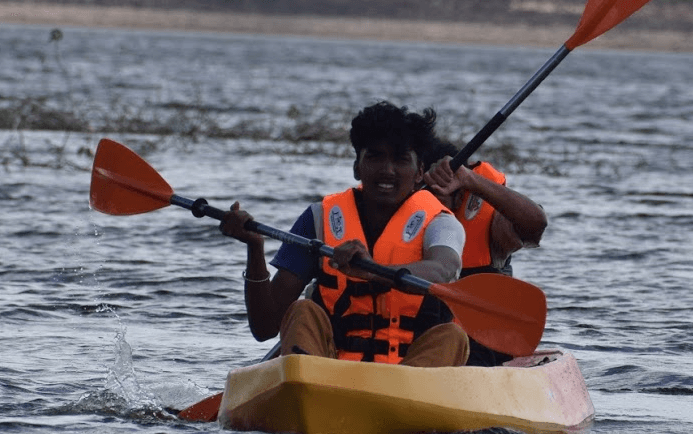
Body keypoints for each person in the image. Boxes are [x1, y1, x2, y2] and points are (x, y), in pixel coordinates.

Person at [219, 101, 469, 367]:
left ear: (419, 172)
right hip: (332, 373)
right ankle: (307, 388)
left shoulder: (441, 223)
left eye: (400, 159)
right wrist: (254, 249)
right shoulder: (319, 219)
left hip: (410, 374)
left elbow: (444, 270)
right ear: (356, 168)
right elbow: (265, 327)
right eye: (375, 156)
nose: (387, 169)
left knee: (453, 335)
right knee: (304, 311)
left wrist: (374, 270)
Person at [422, 140, 548, 365]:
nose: (425, 205)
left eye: (435, 195)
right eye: (420, 195)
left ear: (459, 195)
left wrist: (470, 179)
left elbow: (535, 225)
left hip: (479, 354)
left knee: (451, 338)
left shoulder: (493, 229)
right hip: (415, 343)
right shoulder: (393, 214)